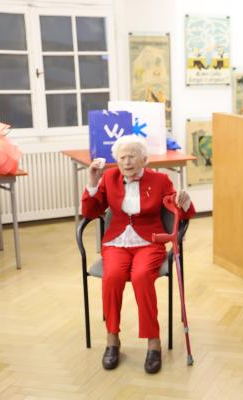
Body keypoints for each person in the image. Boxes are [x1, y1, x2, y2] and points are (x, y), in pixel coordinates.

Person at [81, 135, 196, 374]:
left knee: (142, 276)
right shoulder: (109, 178)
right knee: (112, 276)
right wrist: (92, 181)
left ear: (144, 159)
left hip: (149, 242)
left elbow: (181, 213)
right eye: (122, 157)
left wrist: (183, 202)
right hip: (116, 242)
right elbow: (91, 211)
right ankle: (112, 338)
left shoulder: (161, 180)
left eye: (132, 156)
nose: (126, 162)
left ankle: (153, 341)